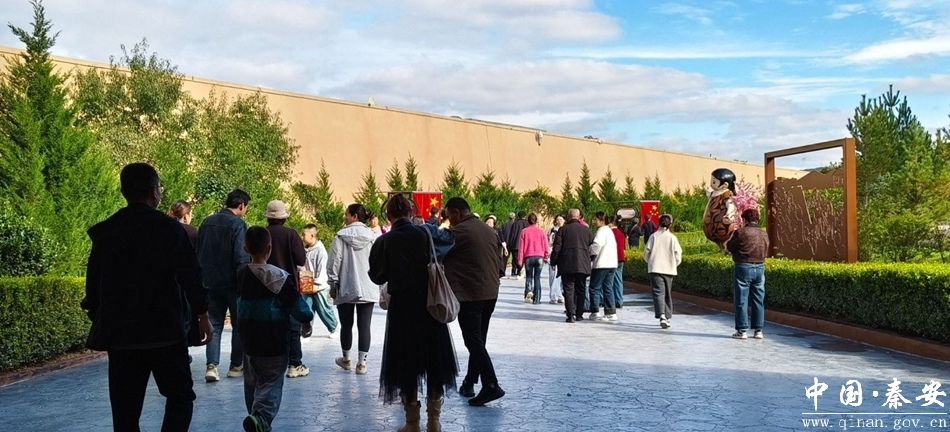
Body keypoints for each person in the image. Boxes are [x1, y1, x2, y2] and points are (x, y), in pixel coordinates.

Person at [82, 162, 212, 431]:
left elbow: (93, 285)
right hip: (166, 331)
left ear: (124, 191)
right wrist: (202, 315)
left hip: (122, 335)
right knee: (180, 397)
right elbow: (191, 276)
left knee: (125, 412)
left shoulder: (106, 232)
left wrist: (100, 316)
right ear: (154, 192)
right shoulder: (170, 230)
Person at [369, 194, 458, 432]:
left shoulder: (384, 241)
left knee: (405, 363)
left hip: (402, 310)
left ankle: (412, 423)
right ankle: (434, 421)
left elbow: (377, 275)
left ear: (388, 215)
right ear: (411, 212)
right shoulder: (427, 233)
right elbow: (450, 240)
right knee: (435, 361)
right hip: (429, 306)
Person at [236, 226, 314, 432]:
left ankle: (255, 417)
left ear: (245, 248)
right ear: (269, 249)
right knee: (271, 383)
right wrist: (307, 319)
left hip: (249, 341)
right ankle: (261, 418)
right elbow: (297, 306)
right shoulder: (280, 277)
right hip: (274, 340)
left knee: (252, 383)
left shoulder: (241, 274)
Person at [444, 197, 506, 406]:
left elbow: (437, 248)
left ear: (457, 213)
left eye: (450, 216)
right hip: (490, 292)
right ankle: (470, 382)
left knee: (472, 340)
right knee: (479, 339)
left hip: (471, 294)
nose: (449, 221)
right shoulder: (488, 230)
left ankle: (491, 384)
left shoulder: (459, 231)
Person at [197, 188, 251, 382]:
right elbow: (241, 257)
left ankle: (211, 366)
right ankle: (236, 366)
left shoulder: (206, 222)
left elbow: (199, 251)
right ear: (241, 205)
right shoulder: (238, 224)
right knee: (238, 325)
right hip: (233, 284)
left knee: (214, 324)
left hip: (209, 283)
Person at [328, 203, 379, 375]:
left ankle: (346, 359)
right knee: (365, 326)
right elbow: (377, 261)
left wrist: (333, 282)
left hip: (345, 285)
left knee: (346, 325)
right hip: (368, 286)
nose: (344, 217)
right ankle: (362, 363)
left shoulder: (340, 236)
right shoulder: (372, 236)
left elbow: (334, 261)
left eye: (346, 214)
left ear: (354, 216)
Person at [263, 200, 309, 379]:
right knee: (293, 327)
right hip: (288, 285)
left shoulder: (263, 234)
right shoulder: (291, 234)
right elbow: (301, 260)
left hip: (266, 286)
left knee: (270, 326)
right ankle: (294, 364)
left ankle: (272, 362)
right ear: (284, 217)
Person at [727, 209, 769, 340]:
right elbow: (766, 248)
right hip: (760, 267)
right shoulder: (764, 233)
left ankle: (742, 330)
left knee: (741, 299)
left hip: (743, 267)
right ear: (757, 219)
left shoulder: (740, 232)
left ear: (744, 219)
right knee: (758, 299)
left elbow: (730, 247)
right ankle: (758, 330)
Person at [550, 209, 593, 323]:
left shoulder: (563, 230)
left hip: (567, 264)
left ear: (568, 217)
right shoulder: (586, 230)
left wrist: (553, 261)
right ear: (579, 217)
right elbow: (592, 246)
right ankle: (579, 314)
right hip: (583, 264)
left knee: (568, 289)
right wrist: (590, 259)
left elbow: (557, 248)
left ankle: (570, 315)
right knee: (581, 289)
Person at [644, 214, 682, 329]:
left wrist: (650, 262)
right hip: (669, 270)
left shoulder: (653, 236)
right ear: (670, 224)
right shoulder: (672, 238)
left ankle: (662, 315)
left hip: (655, 269)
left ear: (659, 223)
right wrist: (674, 264)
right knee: (667, 293)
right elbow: (678, 254)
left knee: (658, 293)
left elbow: (646, 253)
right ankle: (667, 316)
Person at [300, 224, 338, 338]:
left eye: (304, 234)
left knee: (323, 309)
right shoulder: (305, 250)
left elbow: (323, 271)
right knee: (307, 308)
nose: (302, 237)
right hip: (307, 282)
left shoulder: (320, 251)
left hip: (320, 286)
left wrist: (317, 285)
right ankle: (306, 332)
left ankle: (333, 328)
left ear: (312, 235)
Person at [589, 212, 619, 321]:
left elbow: (596, 246)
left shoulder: (601, 231)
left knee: (594, 288)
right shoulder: (609, 231)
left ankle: (595, 311)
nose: (594, 222)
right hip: (612, 264)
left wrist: (588, 254)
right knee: (608, 288)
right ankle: (611, 312)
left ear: (601, 220)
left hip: (601, 264)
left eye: (595, 219)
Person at [517, 213, 549, 304]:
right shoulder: (541, 231)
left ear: (528, 221)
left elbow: (521, 247)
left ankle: (529, 291)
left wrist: (520, 260)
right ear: (536, 221)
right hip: (539, 257)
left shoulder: (524, 232)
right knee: (537, 277)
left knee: (529, 276)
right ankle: (537, 299)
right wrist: (546, 256)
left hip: (528, 257)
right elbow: (546, 245)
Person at [610, 215, 627, 313]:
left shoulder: (610, 233)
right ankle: (619, 300)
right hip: (621, 258)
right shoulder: (621, 233)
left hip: (613, 259)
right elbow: (624, 247)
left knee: (610, 281)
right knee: (619, 280)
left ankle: (614, 301)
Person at [505, 211, 529, 278]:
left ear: (518, 216)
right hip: (525, 245)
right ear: (525, 216)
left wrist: (510, 244)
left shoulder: (515, 223)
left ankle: (515, 271)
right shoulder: (527, 223)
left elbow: (512, 234)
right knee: (523, 258)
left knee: (515, 258)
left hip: (516, 244)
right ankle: (521, 271)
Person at [547, 215, 564, 304]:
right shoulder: (551, 230)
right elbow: (548, 242)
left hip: (562, 256)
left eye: (561, 219)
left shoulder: (565, 230)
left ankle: (560, 295)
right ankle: (553, 296)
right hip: (552, 255)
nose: (559, 221)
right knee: (553, 276)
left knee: (561, 278)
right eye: (558, 219)